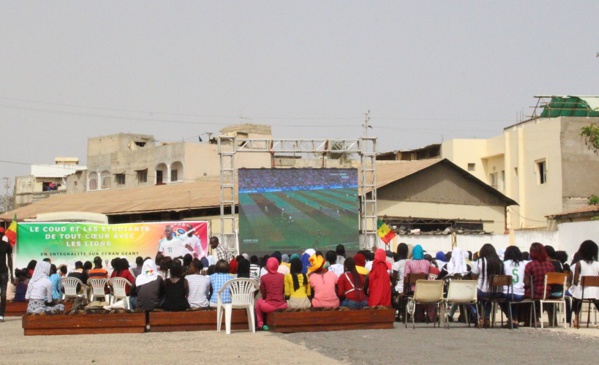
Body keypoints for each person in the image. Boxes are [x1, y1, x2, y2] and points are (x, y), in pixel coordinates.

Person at [471, 243, 504, 328]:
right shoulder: (500, 262)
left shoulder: (480, 261)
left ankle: (478, 316)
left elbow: (473, 276)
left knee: (469, 298)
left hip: (483, 291)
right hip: (497, 292)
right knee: (488, 300)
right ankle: (487, 317)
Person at [570, 240, 599, 328]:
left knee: (575, 298)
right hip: (596, 292)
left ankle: (576, 318)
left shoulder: (579, 264)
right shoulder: (598, 264)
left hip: (582, 292)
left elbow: (575, 282)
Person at [499, 245, 527, 328]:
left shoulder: (504, 264)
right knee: (514, 302)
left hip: (506, 293)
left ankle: (511, 318)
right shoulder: (523, 264)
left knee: (500, 299)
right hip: (520, 294)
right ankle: (515, 319)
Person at [256, 257, 287, 330]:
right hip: (282, 305)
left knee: (258, 302)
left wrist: (265, 299)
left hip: (268, 306)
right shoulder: (282, 276)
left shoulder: (264, 278)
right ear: (277, 265)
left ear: (267, 266)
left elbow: (263, 293)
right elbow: (283, 291)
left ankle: (260, 323)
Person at [0, 229, 14, 322]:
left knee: (3, 294)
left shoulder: (6, 245)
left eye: (1, 234)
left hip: (3, 271)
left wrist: (11, 274)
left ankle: (1, 315)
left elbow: (9, 260)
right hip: (3, 272)